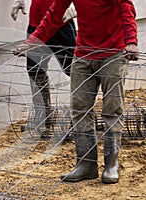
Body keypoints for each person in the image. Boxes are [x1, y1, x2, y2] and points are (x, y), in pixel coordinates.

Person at [14, 0, 139, 183]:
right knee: (80, 109)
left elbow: (126, 9)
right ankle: (86, 164)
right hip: (83, 54)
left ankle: (111, 164)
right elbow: (55, 14)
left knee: (112, 110)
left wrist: (131, 41)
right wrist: (34, 40)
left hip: (113, 53)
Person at [11, 0, 77, 137]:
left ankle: (81, 119)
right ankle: (44, 116)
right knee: (35, 70)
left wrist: (77, 7)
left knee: (76, 69)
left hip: (62, 23)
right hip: (37, 23)